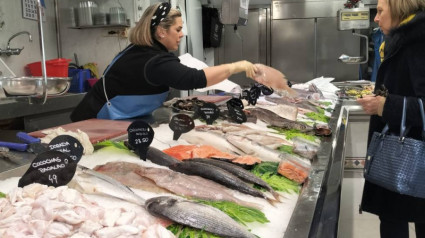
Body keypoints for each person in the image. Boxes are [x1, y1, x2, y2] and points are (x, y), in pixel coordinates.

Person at [70, 2, 257, 122]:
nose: (182, 34)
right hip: (95, 122)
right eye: (178, 29)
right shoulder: (153, 60)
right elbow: (195, 79)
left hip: (117, 120)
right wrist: (235, 67)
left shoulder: (143, 51)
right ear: (161, 31)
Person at [356, 0, 425, 237]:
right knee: (394, 218)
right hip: (396, 152)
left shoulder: (418, 43)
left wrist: (385, 105)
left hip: (412, 157)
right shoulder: (400, 42)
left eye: (380, 11)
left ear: (398, 9)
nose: (375, 18)